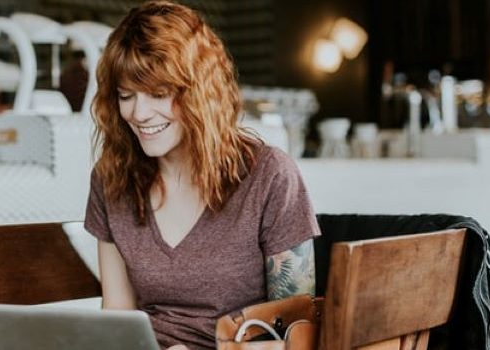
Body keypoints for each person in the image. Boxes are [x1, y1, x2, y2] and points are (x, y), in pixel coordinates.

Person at [83, 2, 321, 349]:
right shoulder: (111, 179)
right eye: (126, 96)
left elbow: (298, 334)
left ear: (199, 92)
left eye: (159, 94)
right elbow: (118, 317)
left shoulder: (269, 175)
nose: (139, 113)